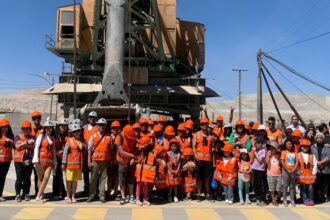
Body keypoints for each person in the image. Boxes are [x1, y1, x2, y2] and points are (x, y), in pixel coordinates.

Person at [87, 118, 111, 203]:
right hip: (95, 160)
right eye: (100, 125)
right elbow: (89, 149)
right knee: (93, 178)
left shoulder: (109, 136)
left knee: (103, 179)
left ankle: (102, 196)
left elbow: (111, 148)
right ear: (97, 126)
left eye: (103, 125)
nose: (101, 126)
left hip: (104, 161)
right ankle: (92, 195)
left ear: (106, 126)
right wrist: (89, 161)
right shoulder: (93, 136)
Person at [32, 120, 57, 202]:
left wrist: (55, 161)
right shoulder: (40, 136)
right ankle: (41, 195)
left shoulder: (53, 138)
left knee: (46, 178)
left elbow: (53, 150)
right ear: (45, 128)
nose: (49, 129)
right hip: (40, 161)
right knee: (40, 178)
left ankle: (38, 196)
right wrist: (35, 159)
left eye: (50, 127)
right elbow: (36, 148)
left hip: (49, 161)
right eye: (47, 128)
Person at [62, 124, 84, 204]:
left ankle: (73, 196)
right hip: (70, 165)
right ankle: (68, 196)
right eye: (75, 131)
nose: (77, 133)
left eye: (78, 131)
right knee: (69, 181)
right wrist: (63, 163)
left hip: (78, 165)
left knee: (75, 181)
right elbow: (65, 153)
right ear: (72, 133)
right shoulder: (69, 140)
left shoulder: (81, 140)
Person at [192, 117, 214, 200]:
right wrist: (195, 155)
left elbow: (214, 146)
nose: (205, 125)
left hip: (208, 160)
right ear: (200, 126)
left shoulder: (211, 136)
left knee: (207, 178)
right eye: (203, 124)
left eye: (206, 124)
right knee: (199, 178)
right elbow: (193, 146)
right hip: (199, 160)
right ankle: (199, 194)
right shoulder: (196, 134)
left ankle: (208, 194)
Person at [115, 125, 137, 205]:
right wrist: (132, 156)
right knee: (122, 180)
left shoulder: (133, 135)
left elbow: (135, 149)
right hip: (122, 162)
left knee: (131, 179)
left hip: (130, 162)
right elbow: (121, 152)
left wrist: (133, 159)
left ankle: (131, 196)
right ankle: (123, 197)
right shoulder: (119, 137)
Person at [14, 120, 35, 202]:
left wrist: (23, 144)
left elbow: (33, 146)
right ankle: (18, 194)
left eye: (27, 129)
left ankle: (26, 193)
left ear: (30, 129)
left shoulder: (33, 137)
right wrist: (27, 143)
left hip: (28, 161)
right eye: (24, 129)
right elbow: (17, 147)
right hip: (19, 161)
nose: (25, 130)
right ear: (22, 129)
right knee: (19, 178)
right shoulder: (18, 137)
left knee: (27, 179)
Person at [135, 135, 156, 206]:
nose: (142, 147)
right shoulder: (140, 151)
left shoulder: (151, 152)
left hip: (146, 173)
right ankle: (137, 199)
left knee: (145, 185)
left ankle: (145, 199)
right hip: (140, 172)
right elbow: (137, 159)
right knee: (139, 185)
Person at [296, 139, 317, 206]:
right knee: (303, 188)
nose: (305, 147)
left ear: (309, 147)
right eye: (303, 146)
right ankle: (305, 200)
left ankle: (311, 199)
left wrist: (314, 172)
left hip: (310, 175)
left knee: (310, 188)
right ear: (301, 147)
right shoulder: (298, 155)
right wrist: (298, 172)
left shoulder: (312, 155)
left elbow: (315, 164)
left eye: (307, 146)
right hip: (302, 175)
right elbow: (296, 165)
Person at [82, 111, 98, 195]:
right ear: (88, 118)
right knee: (85, 172)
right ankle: (86, 188)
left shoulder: (98, 128)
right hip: (85, 152)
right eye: (91, 117)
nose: (92, 118)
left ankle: (95, 189)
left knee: (94, 172)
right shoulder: (84, 128)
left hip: (93, 152)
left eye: (94, 117)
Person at [311, 133, 330, 202]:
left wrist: (322, 162)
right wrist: (317, 162)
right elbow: (312, 156)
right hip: (316, 167)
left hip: (325, 167)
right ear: (316, 139)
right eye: (318, 138)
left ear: (323, 139)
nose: (319, 139)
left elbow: (328, 156)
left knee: (324, 183)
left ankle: (323, 196)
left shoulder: (327, 147)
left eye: (321, 138)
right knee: (317, 183)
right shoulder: (312, 147)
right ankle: (317, 196)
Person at [53, 118, 68, 200]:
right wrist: (56, 153)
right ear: (59, 126)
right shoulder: (55, 134)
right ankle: (55, 193)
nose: (63, 127)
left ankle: (65, 193)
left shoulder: (68, 135)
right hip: (57, 157)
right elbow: (52, 146)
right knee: (57, 176)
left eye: (65, 126)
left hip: (65, 157)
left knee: (65, 176)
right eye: (62, 126)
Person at [251, 136, 268, 206]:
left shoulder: (263, 151)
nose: (257, 144)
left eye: (259, 143)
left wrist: (254, 152)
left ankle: (262, 198)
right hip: (254, 168)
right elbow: (252, 159)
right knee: (255, 184)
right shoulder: (255, 150)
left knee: (261, 185)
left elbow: (260, 160)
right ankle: (257, 197)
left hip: (260, 169)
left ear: (261, 144)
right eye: (256, 143)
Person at [280, 139, 298, 207]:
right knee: (285, 186)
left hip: (293, 171)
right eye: (287, 144)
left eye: (290, 144)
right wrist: (287, 170)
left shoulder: (295, 152)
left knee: (292, 186)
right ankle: (284, 200)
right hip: (285, 171)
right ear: (285, 145)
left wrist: (294, 169)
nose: (289, 145)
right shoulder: (284, 152)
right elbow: (282, 161)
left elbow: (296, 161)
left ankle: (292, 199)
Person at [0, 118, 14, 202]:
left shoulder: (10, 137)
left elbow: (16, 147)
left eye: (6, 127)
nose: (4, 128)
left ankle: (0, 195)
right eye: (3, 127)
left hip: (7, 161)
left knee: (2, 178)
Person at [31, 111, 43, 196]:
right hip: (28, 155)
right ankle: (25, 193)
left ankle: (38, 192)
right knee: (26, 176)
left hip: (38, 156)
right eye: (34, 118)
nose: (37, 120)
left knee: (38, 175)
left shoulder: (43, 129)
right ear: (32, 119)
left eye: (38, 118)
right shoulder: (28, 128)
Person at [108, 121, 121, 201]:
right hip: (110, 160)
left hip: (117, 160)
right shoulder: (109, 137)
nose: (115, 130)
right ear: (111, 129)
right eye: (114, 128)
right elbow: (110, 148)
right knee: (110, 177)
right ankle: (109, 192)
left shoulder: (121, 137)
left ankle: (116, 192)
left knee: (116, 177)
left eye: (117, 128)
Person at [167, 139, 182, 203]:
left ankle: (175, 196)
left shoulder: (179, 154)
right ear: (170, 146)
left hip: (176, 171)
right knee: (171, 184)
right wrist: (170, 170)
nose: (173, 147)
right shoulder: (168, 153)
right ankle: (170, 196)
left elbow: (179, 163)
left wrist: (178, 170)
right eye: (172, 146)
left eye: (175, 146)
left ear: (177, 147)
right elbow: (167, 162)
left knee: (175, 184)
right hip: (170, 171)